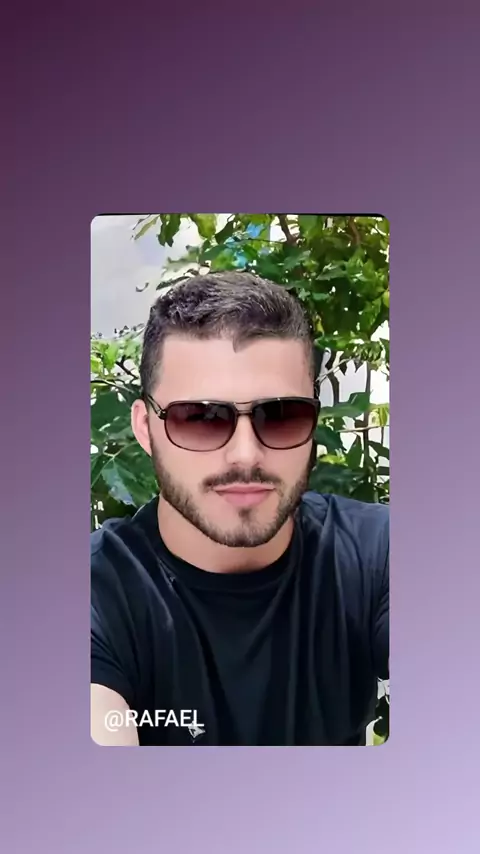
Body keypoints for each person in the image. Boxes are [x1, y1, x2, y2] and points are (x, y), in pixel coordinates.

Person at [91, 271, 389, 746]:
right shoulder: (94, 591)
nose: (246, 455)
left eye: (282, 415)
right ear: (145, 429)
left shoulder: (378, 554)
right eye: (202, 418)